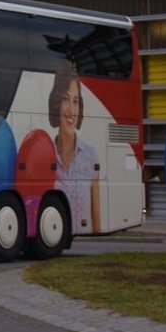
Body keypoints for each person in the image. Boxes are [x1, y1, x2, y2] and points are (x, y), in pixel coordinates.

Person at [48, 64, 101, 234]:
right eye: (65, 99)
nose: (71, 110)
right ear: (57, 103)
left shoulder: (90, 156)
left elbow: (96, 220)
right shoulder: (45, 153)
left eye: (76, 101)